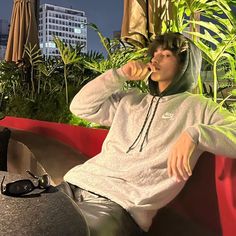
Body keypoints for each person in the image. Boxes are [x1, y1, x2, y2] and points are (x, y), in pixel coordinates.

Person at [59, 32, 236, 236]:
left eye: (166, 54)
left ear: (185, 65)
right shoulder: (130, 100)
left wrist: (196, 134)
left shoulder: (199, 107)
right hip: (75, 184)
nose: (155, 58)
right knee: (22, 216)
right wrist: (120, 74)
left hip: (120, 206)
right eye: (154, 54)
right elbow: (80, 107)